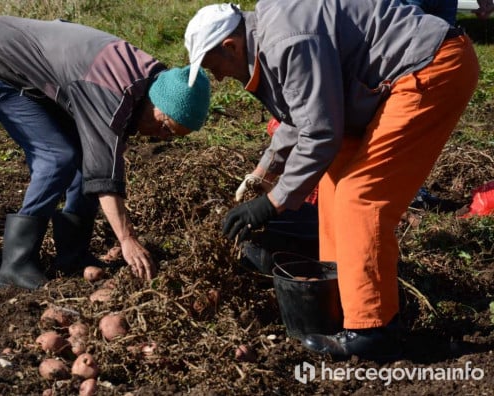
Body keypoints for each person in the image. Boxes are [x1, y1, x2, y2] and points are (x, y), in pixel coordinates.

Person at [185, 1, 478, 360]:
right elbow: (302, 113)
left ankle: (372, 330)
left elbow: (321, 133)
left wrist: (273, 202)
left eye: (214, 65)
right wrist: (264, 173)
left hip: (429, 67)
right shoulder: (273, 37)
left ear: (230, 45)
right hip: (385, 82)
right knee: (333, 184)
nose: (217, 77)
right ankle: (341, 300)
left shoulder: (287, 40)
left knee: (361, 196)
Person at [0, 16, 211, 290]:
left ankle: (72, 255)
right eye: (166, 127)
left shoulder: (152, 82)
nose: (162, 136)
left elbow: (103, 157)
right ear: (159, 103)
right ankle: (15, 265)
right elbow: (104, 173)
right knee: (57, 157)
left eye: (172, 136)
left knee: (85, 156)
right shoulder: (113, 94)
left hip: (41, 71)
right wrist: (126, 238)